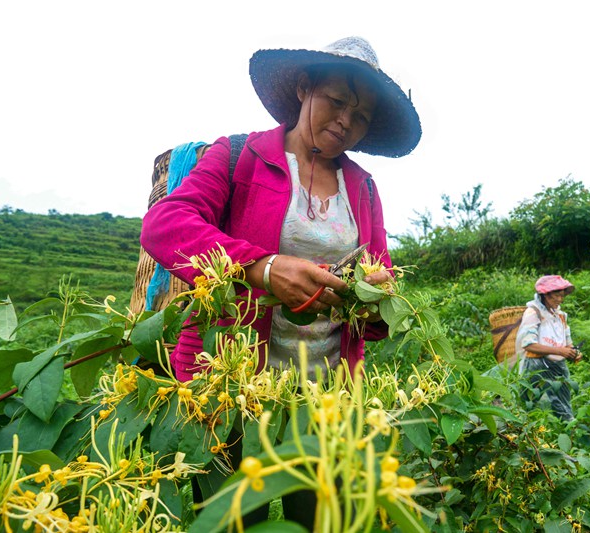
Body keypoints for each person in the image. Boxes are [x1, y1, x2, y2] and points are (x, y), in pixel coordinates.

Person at [139, 36, 421, 527]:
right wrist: (263, 268)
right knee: (229, 517)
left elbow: (382, 268)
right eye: (338, 102)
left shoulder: (363, 188)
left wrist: (376, 289)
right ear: (303, 87)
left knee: (322, 518)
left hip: (324, 397)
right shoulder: (237, 156)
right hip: (229, 386)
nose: (346, 121)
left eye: (361, 116)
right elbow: (166, 225)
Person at [515, 275, 581, 421]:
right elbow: (528, 344)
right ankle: (525, 432)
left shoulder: (560, 316)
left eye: (562, 296)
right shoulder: (533, 313)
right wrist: (559, 351)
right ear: (545, 294)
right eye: (556, 295)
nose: (559, 299)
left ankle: (570, 433)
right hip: (535, 365)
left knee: (563, 403)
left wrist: (573, 352)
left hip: (557, 364)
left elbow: (567, 341)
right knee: (528, 402)